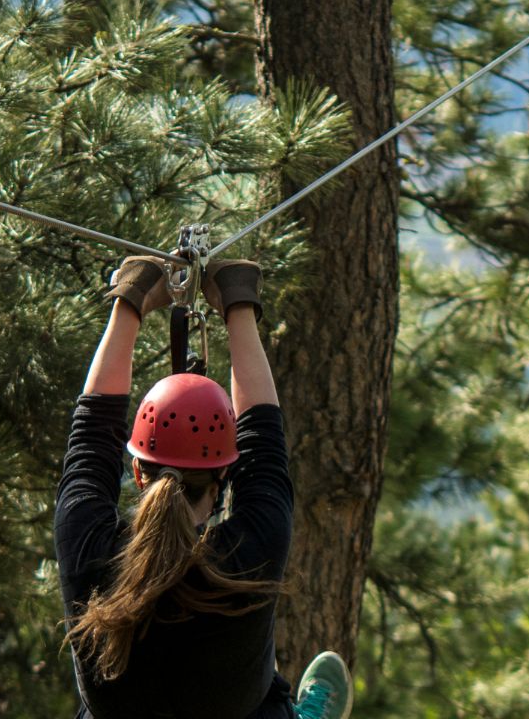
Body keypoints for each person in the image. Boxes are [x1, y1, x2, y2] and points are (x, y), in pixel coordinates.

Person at [57, 256, 352, 719]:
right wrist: (237, 300)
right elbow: (264, 447)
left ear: (138, 473)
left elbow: (90, 436)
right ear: (222, 479)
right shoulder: (248, 554)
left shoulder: (91, 552)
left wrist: (130, 298)